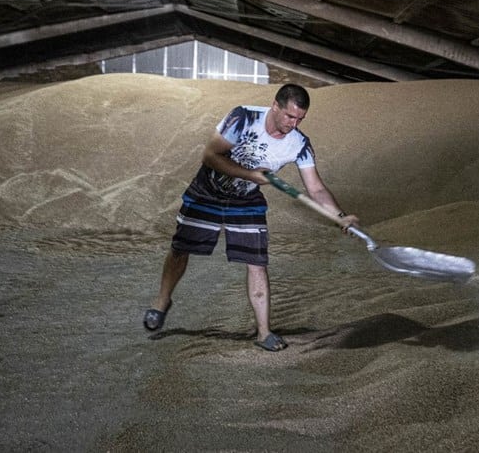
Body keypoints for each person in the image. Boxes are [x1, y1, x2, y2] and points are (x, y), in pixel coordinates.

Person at [143, 84, 358, 352]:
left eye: (300, 119)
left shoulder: (299, 144)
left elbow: (315, 188)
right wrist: (250, 174)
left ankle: (263, 331)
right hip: (207, 192)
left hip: (246, 201)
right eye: (290, 116)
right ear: (275, 106)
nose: (294, 123)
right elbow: (210, 156)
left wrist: (339, 216)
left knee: (257, 263)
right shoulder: (243, 118)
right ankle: (162, 301)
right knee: (180, 249)